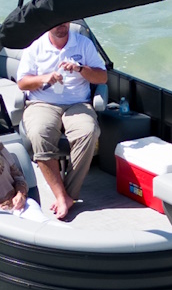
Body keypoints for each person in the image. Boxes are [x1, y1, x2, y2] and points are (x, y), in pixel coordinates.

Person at [16, 21, 106, 220]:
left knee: (88, 132)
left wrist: (80, 69)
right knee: (39, 133)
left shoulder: (83, 44)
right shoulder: (35, 46)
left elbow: (102, 77)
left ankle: (67, 195)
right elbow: (22, 83)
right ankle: (61, 195)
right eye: (55, 22)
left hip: (77, 103)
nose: (61, 25)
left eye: (64, 21)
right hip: (42, 102)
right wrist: (44, 78)